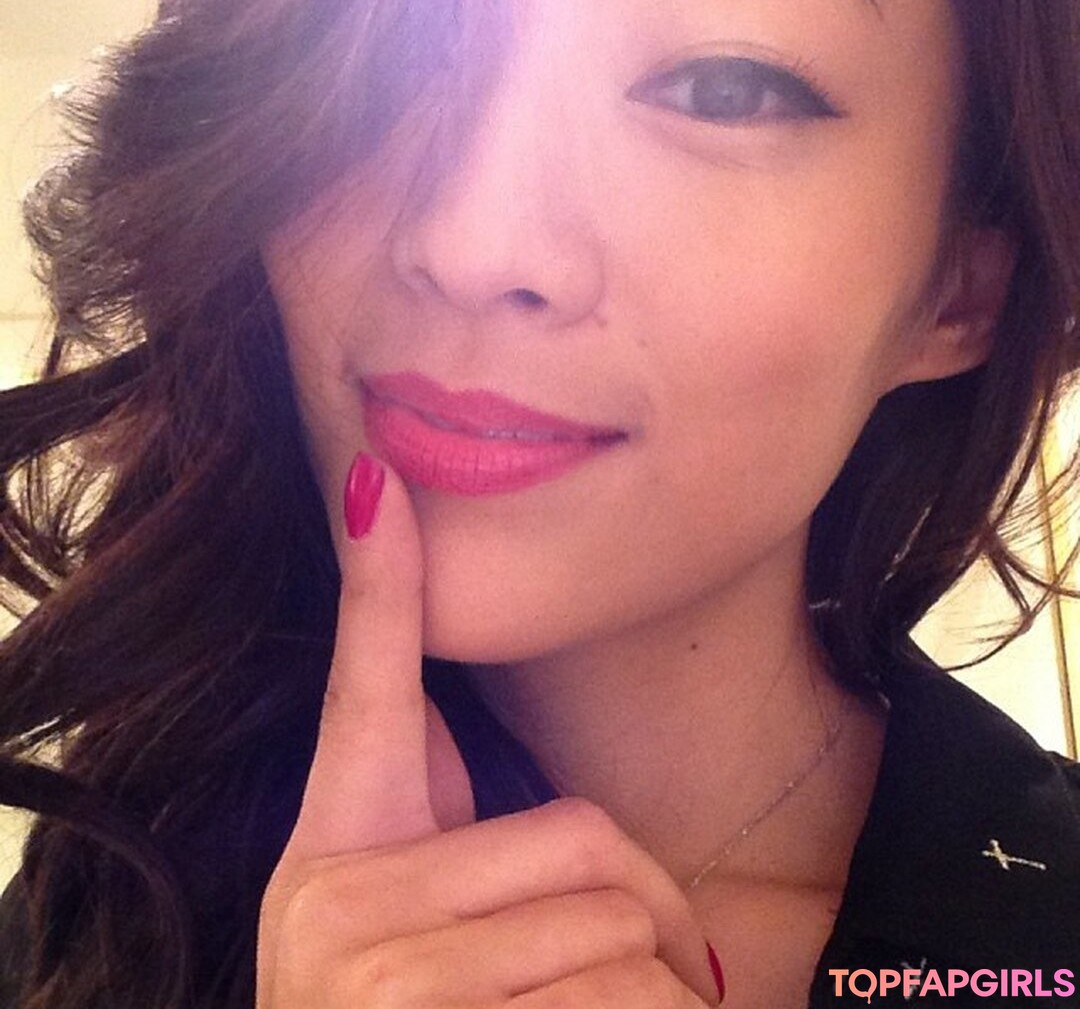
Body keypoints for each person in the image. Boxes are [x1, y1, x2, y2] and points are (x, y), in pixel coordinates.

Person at [1, 0, 1078, 1006]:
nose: (469, 245)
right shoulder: (101, 894)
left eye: (723, 92)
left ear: (959, 290)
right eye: (396, 62)